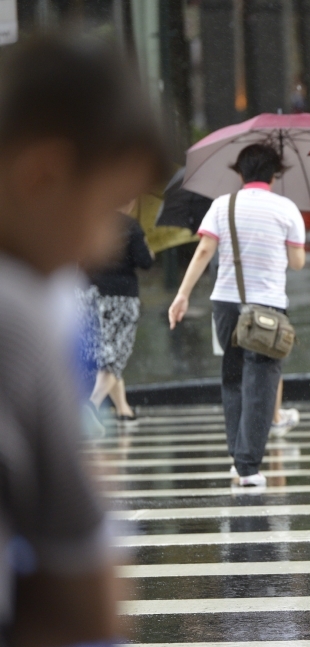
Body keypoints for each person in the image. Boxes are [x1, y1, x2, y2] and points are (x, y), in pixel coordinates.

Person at [0, 33, 165, 645]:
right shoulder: (19, 312)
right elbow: (76, 574)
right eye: (101, 210)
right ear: (42, 175)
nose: (99, 245)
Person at [168, 143, 306, 488]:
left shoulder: (221, 205)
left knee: (232, 376)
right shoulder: (286, 209)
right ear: (275, 174)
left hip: (225, 304)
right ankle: (247, 465)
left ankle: (237, 457)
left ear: (240, 172)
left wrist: (182, 295)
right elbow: (297, 262)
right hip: (268, 308)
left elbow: (203, 251)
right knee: (261, 382)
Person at [87, 199, 155, 422]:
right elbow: (144, 262)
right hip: (122, 297)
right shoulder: (131, 226)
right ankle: (93, 404)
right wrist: (149, 252)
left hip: (91, 294)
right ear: (132, 202)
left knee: (107, 351)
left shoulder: (92, 223)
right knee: (116, 355)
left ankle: (123, 408)